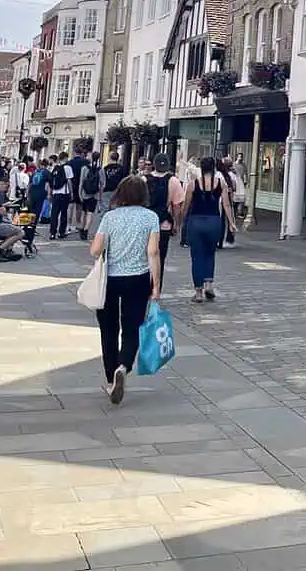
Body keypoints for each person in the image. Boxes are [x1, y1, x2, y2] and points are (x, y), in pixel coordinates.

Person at [88, 176, 161, 405]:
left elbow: (95, 249)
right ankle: (124, 365)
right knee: (132, 328)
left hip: (109, 279)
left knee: (108, 330)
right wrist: (156, 285)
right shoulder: (151, 217)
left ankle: (111, 379)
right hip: (138, 279)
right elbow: (153, 252)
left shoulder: (110, 217)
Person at [182, 157, 236, 304]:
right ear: (213, 168)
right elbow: (227, 205)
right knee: (210, 254)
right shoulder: (220, 183)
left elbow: (186, 205)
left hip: (196, 222)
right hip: (214, 222)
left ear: (201, 168)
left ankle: (198, 292)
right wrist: (231, 223)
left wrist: (180, 221)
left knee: (197, 256)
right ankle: (209, 285)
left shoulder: (193, 184)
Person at [145, 153, 184, 288]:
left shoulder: (144, 179)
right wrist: (176, 223)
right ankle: (156, 288)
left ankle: (144, 286)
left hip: (146, 224)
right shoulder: (173, 181)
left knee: (144, 257)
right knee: (159, 257)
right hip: (164, 224)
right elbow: (177, 205)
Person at [77, 152, 105, 241]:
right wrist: (100, 197)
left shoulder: (84, 168)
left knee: (83, 213)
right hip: (95, 195)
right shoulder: (100, 169)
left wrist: (80, 194)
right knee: (90, 213)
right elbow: (102, 184)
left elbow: (81, 182)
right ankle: (86, 230)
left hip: (85, 194)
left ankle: (82, 229)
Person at [48, 152, 74, 240]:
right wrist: (71, 193)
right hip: (64, 193)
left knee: (54, 214)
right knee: (63, 214)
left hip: (55, 193)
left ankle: (52, 233)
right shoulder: (68, 168)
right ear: (66, 158)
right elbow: (69, 181)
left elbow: (50, 182)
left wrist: (49, 193)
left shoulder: (54, 168)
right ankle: (61, 232)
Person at [67, 147, 87, 233]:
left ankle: (68, 224)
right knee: (79, 206)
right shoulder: (85, 162)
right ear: (81, 153)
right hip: (81, 187)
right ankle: (77, 224)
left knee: (70, 206)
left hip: (71, 186)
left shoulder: (69, 163)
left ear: (74, 153)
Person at [27, 158, 51, 228]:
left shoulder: (35, 172)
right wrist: (49, 194)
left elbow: (30, 184)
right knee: (38, 209)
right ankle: (33, 224)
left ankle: (29, 223)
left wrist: (27, 193)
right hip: (41, 193)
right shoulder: (47, 173)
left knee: (31, 208)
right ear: (47, 165)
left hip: (32, 192)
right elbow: (48, 185)